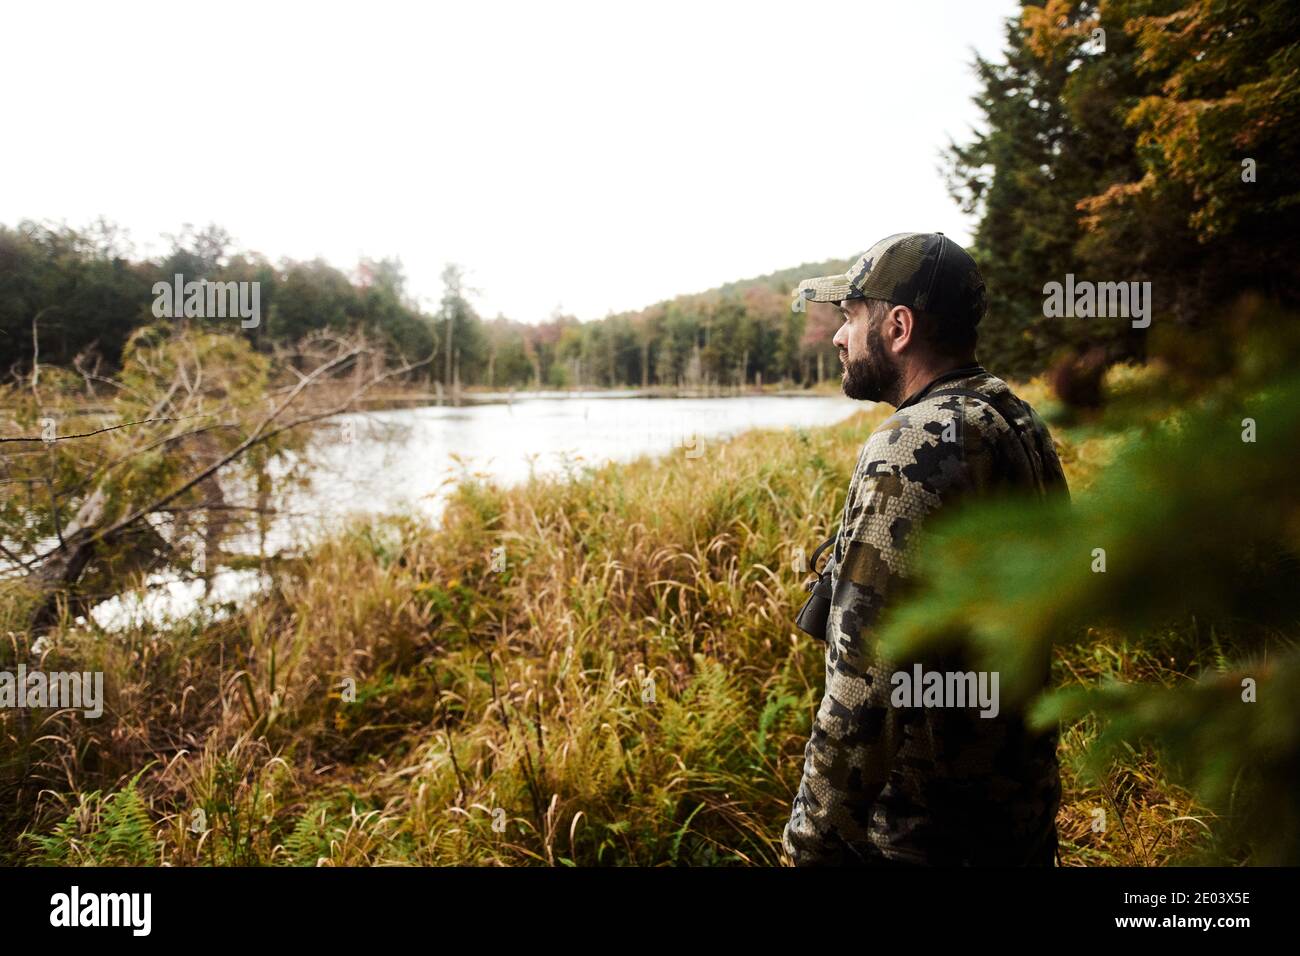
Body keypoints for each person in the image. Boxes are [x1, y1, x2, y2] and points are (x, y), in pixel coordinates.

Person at [782, 232, 1068, 866]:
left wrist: (810, 848)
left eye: (850, 317)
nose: (837, 336)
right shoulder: (1016, 420)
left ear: (899, 326)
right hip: (1016, 818)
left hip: (927, 839)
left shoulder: (913, 444)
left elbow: (864, 683)